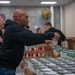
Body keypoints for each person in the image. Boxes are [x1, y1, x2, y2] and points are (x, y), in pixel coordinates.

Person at [0, 9, 60, 75]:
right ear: (19, 18)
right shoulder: (14, 28)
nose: (28, 20)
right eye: (26, 17)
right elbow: (31, 37)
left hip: (8, 65)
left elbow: (27, 42)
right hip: (5, 66)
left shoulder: (14, 27)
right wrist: (52, 34)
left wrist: (43, 40)